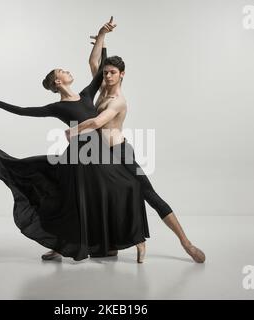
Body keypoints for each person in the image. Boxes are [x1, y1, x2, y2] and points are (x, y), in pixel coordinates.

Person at [0, 19, 148, 263]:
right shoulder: (56, 107)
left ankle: (137, 242)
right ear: (58, 82)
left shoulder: (88, 94)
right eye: (62, 72)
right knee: (67, 201)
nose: (67, 71)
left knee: (125, 188)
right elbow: (24, 110)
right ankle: (60, 246)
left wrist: (101, 36)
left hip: (97, 154)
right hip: (76, 158)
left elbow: (99, 67)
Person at [66, 17, 206, 263]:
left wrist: (74, 130)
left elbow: (98, 123)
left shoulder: (118, 100)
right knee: (92, 192)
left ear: (122, 75)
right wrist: (101, 36)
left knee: (149, 194)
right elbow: (93, 61)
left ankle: (186, 243)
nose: (107, 76)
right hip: (99, 155)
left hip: (120, 153)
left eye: (112, 73)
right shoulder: (100, 90)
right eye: (106, 72)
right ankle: (92, 244)